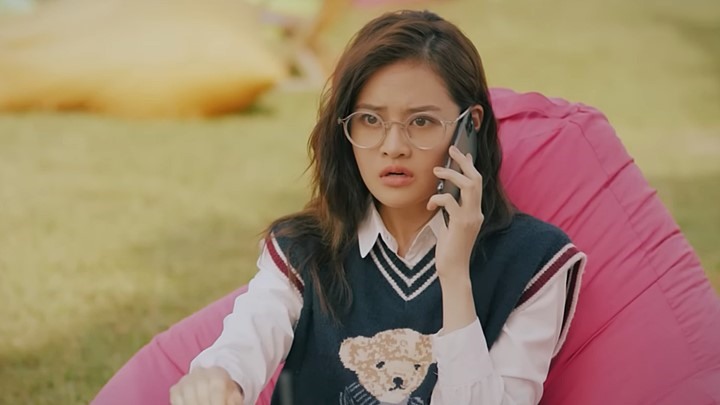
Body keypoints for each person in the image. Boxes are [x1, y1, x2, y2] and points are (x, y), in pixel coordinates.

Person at [170, 9, 586, 405]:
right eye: (370, 120)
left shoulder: (534, 262)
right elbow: (247, 338)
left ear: (470, 126)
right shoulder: (304, 248)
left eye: (421, 121)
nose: (393, 146)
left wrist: (455, 275)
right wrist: (218, 378)